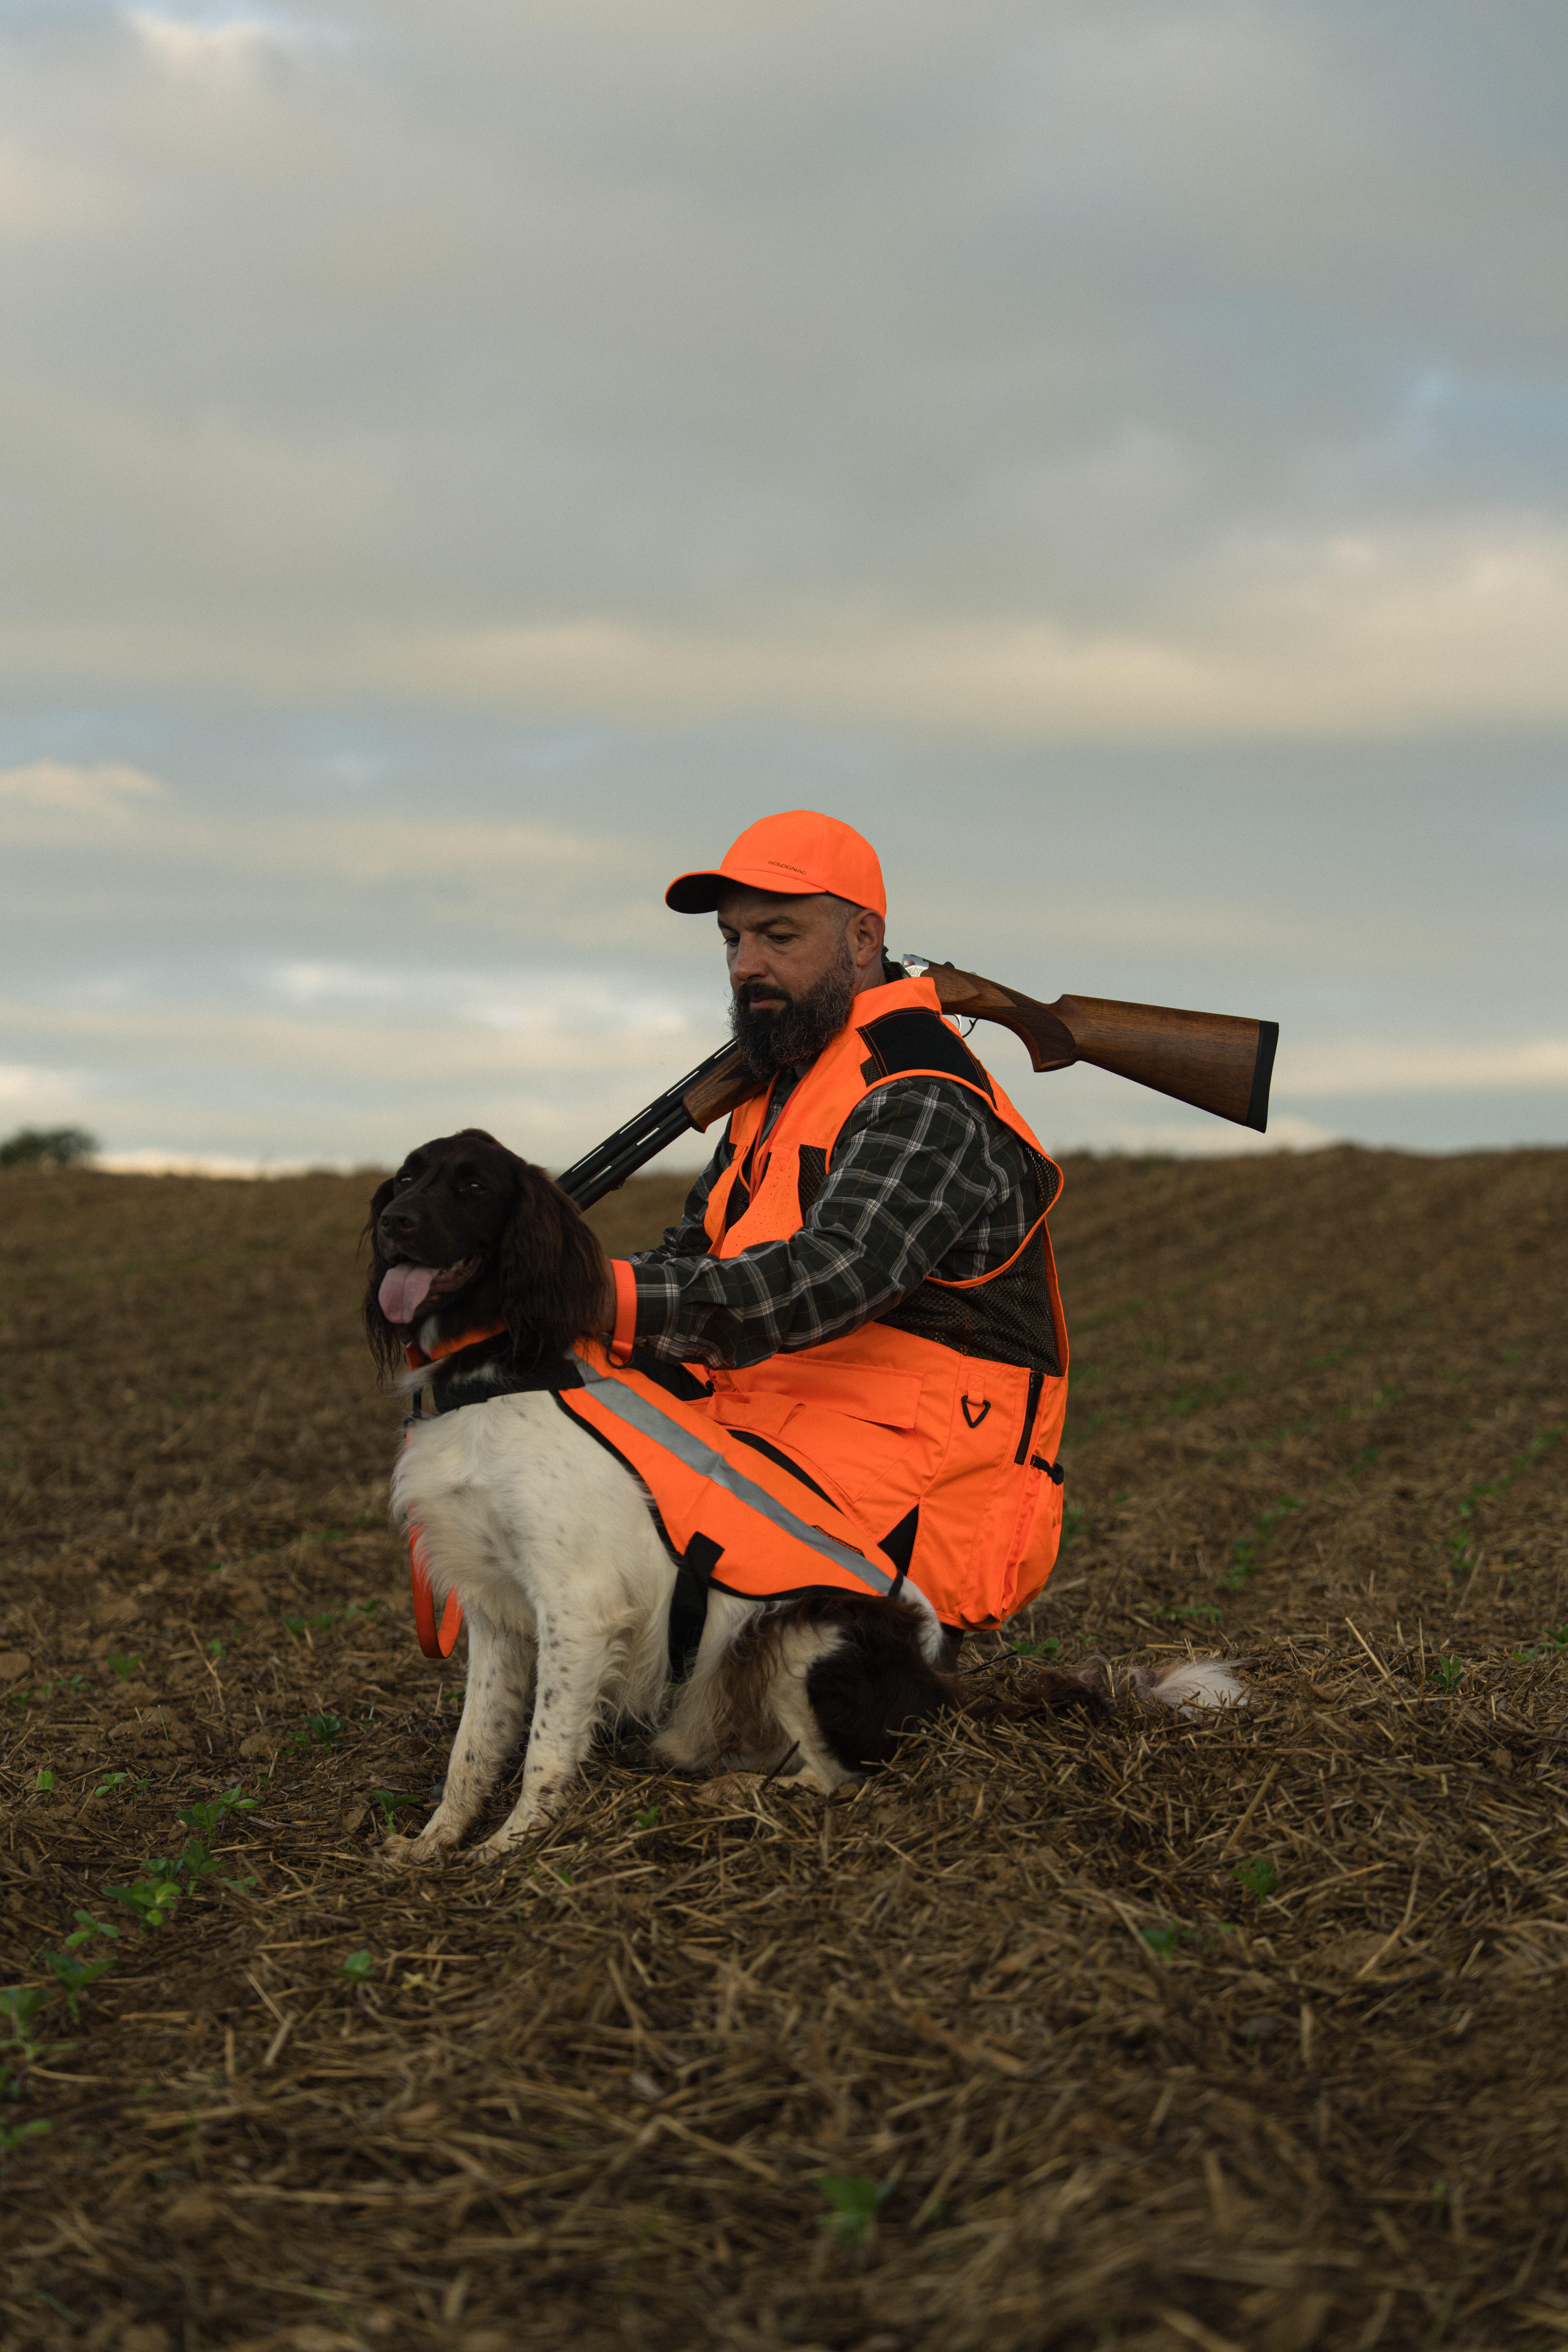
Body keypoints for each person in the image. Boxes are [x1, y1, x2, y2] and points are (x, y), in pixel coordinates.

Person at [559, 809, 1069, 1656]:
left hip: (899, 1540)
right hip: (791, 1467)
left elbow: (828, 1277)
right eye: (730, 940)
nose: (745, 965)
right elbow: (693, 1260)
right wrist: (561, 1303)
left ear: (865, 937)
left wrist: (589, 1290)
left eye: (777, 935)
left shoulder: (922, 1091)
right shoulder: (781, 1087)